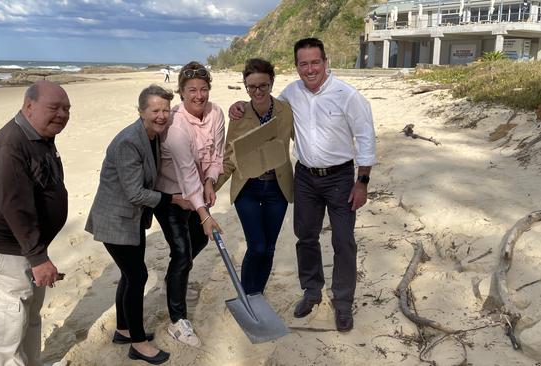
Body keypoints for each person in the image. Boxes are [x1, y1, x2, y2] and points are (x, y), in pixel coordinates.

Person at [229, 38, 376, 332]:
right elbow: (267, 107)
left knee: (343, 241)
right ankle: (311, 291)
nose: (310, 69)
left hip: (340, 177)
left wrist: (362, 182)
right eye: (303, 64)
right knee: (305, 237)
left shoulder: (348, 95)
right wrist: (242, 105)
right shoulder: (291, 93)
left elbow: (366, 138)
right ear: (296, 66)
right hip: (305, 176)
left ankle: (344, 302)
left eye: (315, 62)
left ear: (325, 62)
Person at [0, 80, 71, 366]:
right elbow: (15, 206)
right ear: (29, 106)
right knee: (5, 335)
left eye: (66, 108)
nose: (62, 114)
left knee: (29, 320)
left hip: (27, 249)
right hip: (4, 251)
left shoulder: (40, 136)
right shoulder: (9, 145)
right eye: (54, 108)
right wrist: (38, 258)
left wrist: (38, 253)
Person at [85, 85, 189, 364]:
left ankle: (123, 329)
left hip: (130, 220)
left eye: (166, 109)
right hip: (115, 220)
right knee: (138, 276)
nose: (161, 115)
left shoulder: (153, 135)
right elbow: (135, 193)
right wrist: (174, 200)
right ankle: (138, 344)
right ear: (141, 111)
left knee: (130, 275)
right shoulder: (129, 141)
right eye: (155, 110)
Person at [155, 61, 224, 347]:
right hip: (170, 194)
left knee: (200, 241)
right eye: (192, 90)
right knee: (182, 253)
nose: (199, 95)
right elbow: (184, 172)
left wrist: (210, 180)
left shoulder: (216, 113)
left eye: (204, 89)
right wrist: (205, 214)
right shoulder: (174, 124)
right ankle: (177, 321)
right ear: (181, 92)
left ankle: (175, 281)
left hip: (196, 190)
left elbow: (217, 155)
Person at [214, 58, 294, 295]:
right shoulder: (238, 115)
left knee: (269, 248)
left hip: (277, 188)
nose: (258, 91)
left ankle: (257, 294)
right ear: (245, 87)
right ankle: (247, 294)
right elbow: (229, 157)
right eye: (252, 87)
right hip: (247, 188)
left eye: (263, 86)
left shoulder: (286, 111)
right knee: (257, 245)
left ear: (272, 83)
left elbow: (306, 140)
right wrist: (211, 187)